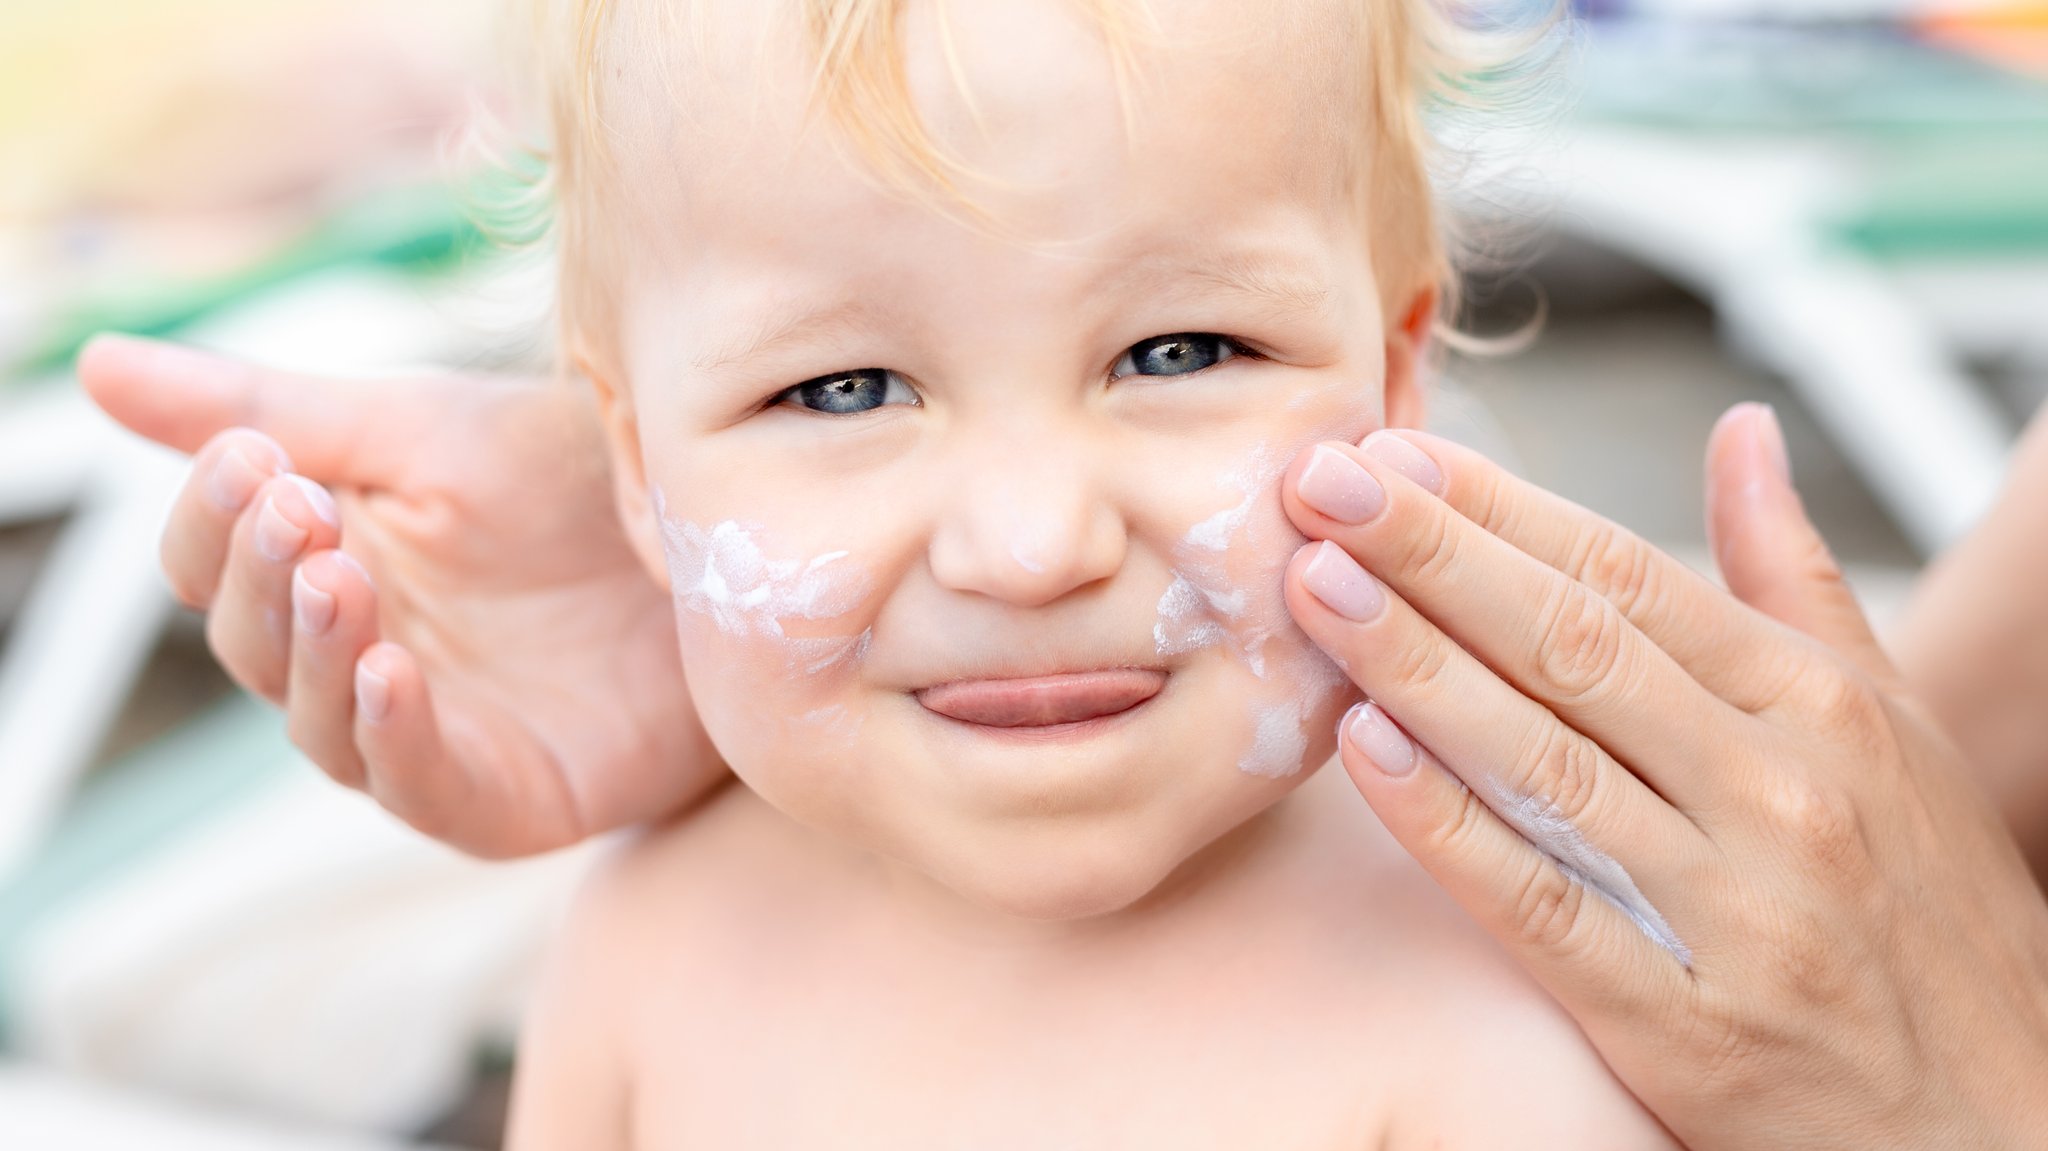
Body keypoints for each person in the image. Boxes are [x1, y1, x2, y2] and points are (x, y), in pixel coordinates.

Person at [76, 1, 2048, 1146]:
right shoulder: (653, 940)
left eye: (1176, 354)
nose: (1029, 544)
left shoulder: (1503, 992)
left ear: (1395, 366)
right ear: (628, 459)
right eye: (837, 385)